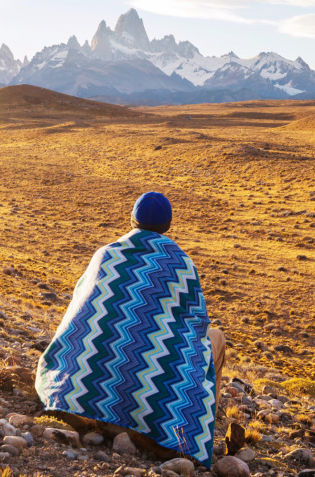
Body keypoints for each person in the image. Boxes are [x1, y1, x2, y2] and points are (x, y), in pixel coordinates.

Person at [35, 192, 225, 468]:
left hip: (75, 392)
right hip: (152, 403)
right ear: (168, 226)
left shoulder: (105, 254)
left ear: (132, 220)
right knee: (215, 338)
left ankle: (100, 409)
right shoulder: (182, 264)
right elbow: (195, 326)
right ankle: (195, 428)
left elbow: (80, 306)